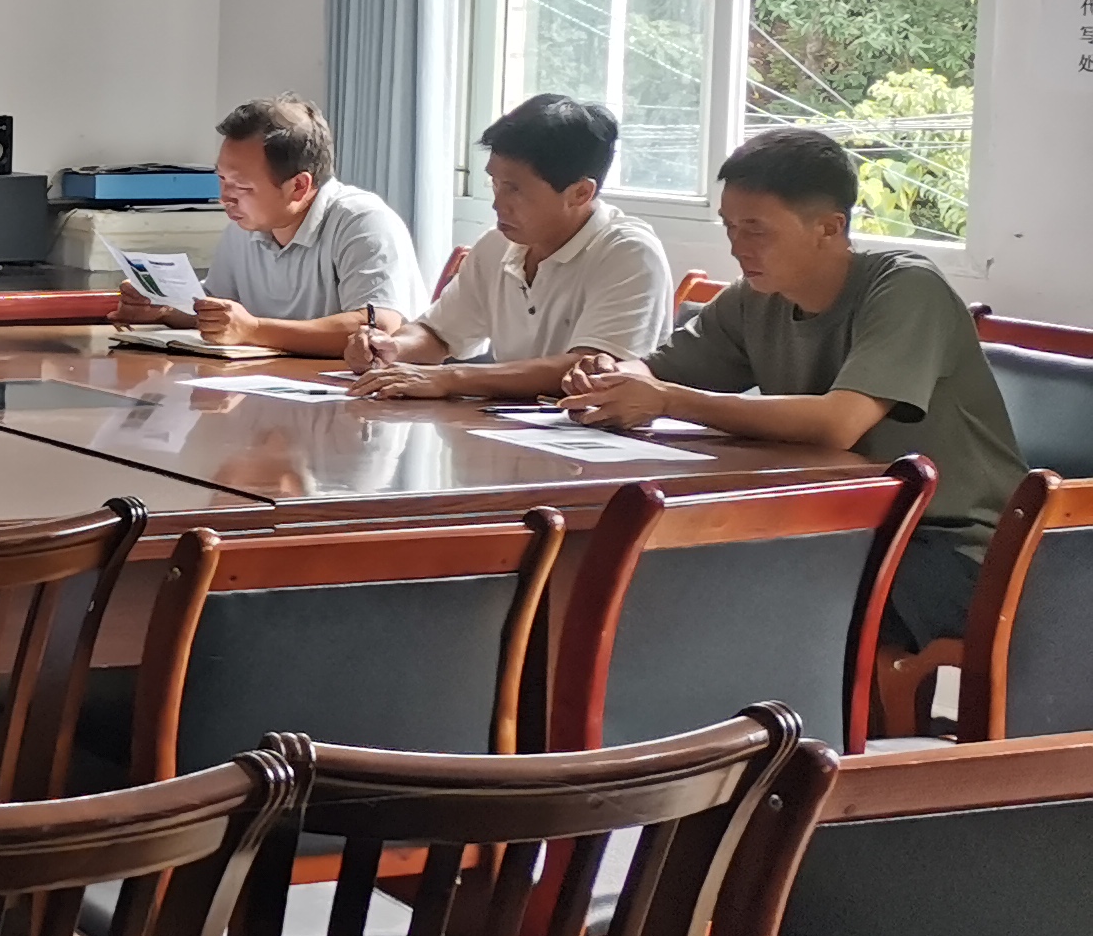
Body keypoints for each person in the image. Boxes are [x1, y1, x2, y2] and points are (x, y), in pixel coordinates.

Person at [566, 126, 1024, 653]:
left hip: (954, 547)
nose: (737, 246)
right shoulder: (755, 298)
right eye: (729, 227)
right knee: (646, 573)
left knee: (734, 595)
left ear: (829, 227)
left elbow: (838, 424)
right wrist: (609, 377)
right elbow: (656, 371)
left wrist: (669, 401)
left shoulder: (906, 287)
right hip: (844, 525)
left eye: (756, 229)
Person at [352, 94, 672, 399]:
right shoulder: (497, 245)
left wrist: (452, 378)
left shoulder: (630, 253)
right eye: (494, 183)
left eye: (514, 189)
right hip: (508, 426)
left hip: (594, 434)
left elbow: (591, 368)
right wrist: (391, 348)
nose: (497, 204)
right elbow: (438, 334)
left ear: (580, 193)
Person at [124, 97, 426, 356]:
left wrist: (254, 329)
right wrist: (162, 309)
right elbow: (223, 313)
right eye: (222, 179)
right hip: (271, 383)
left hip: (360, 395)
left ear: (298, 186)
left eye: (242, 187)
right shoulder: (244, 227)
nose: (225, 198)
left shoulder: (362, 221)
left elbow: (378, 327)